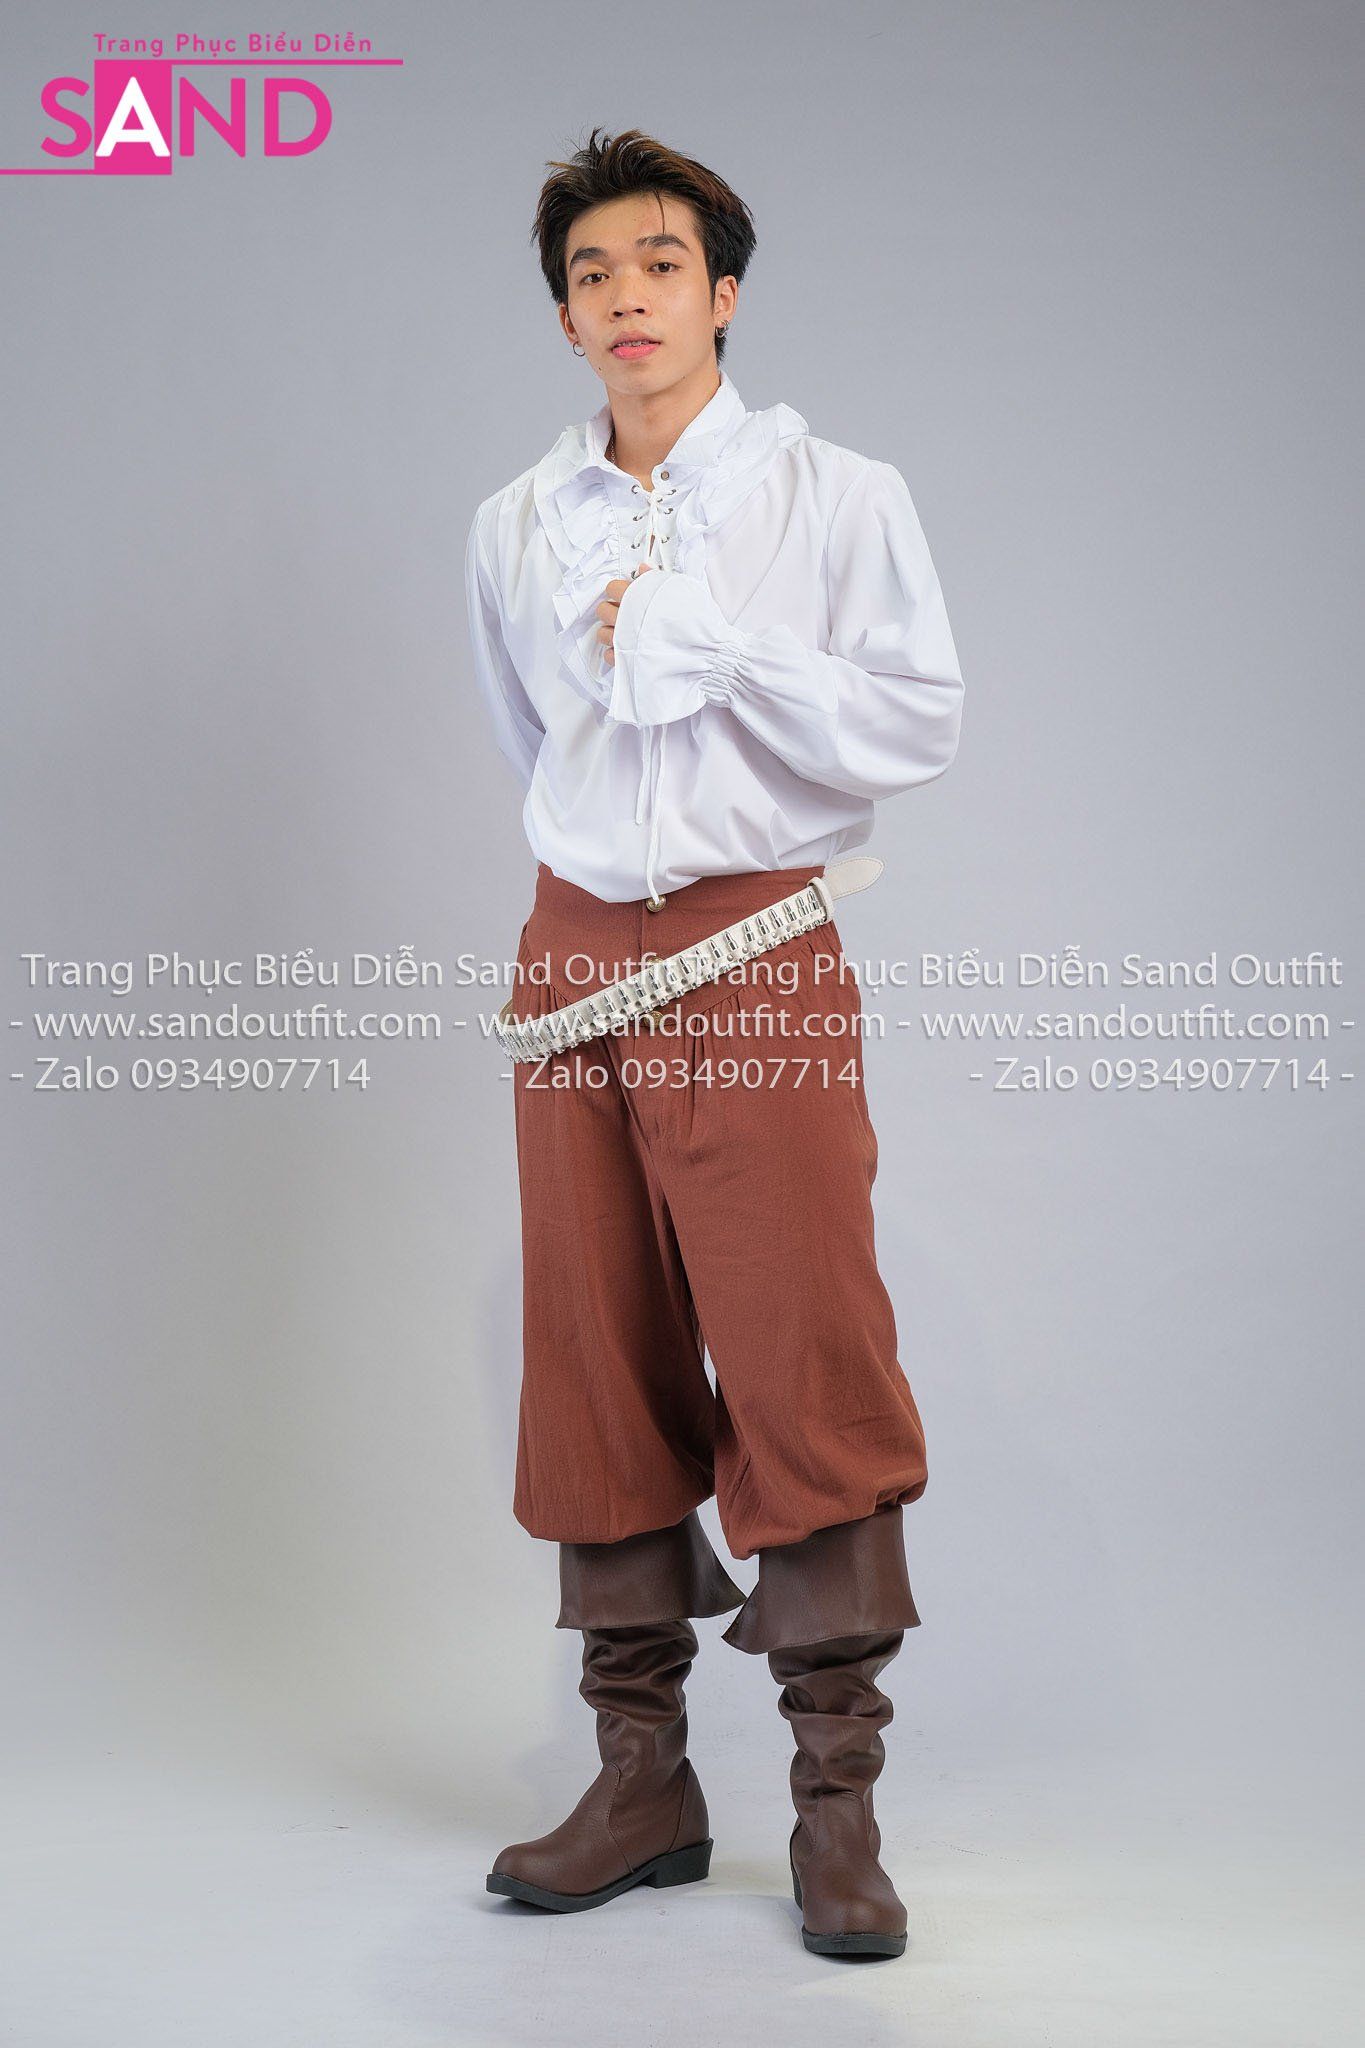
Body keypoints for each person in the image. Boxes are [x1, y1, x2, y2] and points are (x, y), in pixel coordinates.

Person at [463, 125, 965, 1959]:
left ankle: (837, 1808)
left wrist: (718, 646)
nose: (625, 298)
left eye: (658, 265)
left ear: (724, 293)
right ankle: (642, 1783)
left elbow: (912, 723)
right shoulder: (515, 526)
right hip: (573, 950)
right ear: (565, 316)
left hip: (753, 942)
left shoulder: (836, 495)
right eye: (590, 275)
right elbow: (536, 742)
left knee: (801, 1346)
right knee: (591, 1350)